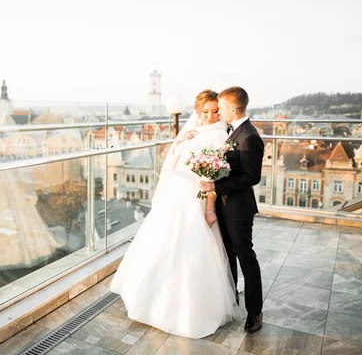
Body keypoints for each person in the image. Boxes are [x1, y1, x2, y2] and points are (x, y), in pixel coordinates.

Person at [110, 89, 238, 339]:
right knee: (165, 243)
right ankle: (152, 297)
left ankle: (187, 310)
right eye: (206, 111)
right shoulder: (193, 130)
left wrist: (210, 208)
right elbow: (172, 164)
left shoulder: (222, 134)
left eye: (215, 111)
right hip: (178, 193)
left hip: (197, 197)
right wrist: (179, 142)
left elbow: (214, 176)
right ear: (197, 111)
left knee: (193, 248)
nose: (211, 116)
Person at [200, 86, 264, 334]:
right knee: (228, 254)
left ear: (233, 109)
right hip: (223, 204)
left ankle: (254, 311)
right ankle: (232, 301)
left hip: (238, 208)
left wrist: (216, 184)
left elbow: (251, 177)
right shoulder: (232, 131)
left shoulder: (249, 137)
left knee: (245, 255)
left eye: (222, 108)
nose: (220, 112)